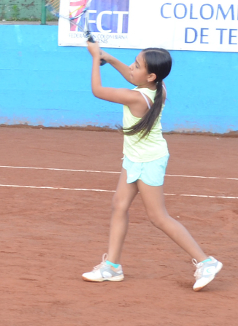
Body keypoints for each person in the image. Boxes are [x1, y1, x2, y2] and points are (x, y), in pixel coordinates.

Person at [81, 40, 222, 291]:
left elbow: (97, 90)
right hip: (134, 157)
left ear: (151, 76)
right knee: (119, 205)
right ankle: (112, 266)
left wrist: (94, 58)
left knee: (158, 217)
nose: (131, 69)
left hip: (149, 160)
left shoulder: (137, 98)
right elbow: (133, 77)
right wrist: (109, 58)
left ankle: (206, 262)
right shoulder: (158, 87)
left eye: (136, 66)